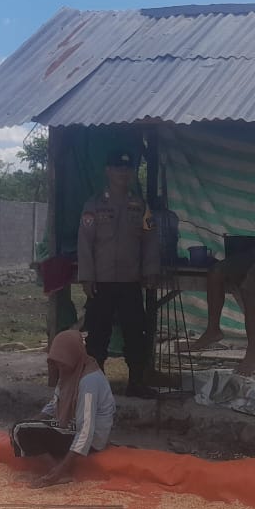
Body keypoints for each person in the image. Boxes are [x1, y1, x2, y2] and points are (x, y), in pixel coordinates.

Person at [185, 144, 255, 375]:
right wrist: (250, 246)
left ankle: (252, 353)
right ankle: (213, 329)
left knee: (248, 289)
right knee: (216, 272)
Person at [77, 150, 160, 398]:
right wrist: (87, 276)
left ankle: (136, 383)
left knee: (135, 333)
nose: (123, 172)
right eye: (117, 168)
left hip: (130, 281)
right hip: (101, 281)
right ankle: (95, 385)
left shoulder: (140, 206)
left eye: (127, 168)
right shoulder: (94, 205)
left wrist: (150, 271)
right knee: (97, 334)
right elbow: (85, 242)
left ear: (132, 172)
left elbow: (150, 239)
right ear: (108, 171)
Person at [11, 330, 115, 488]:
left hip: (92, 439)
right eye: (57, 363)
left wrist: (61, 469)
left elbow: (86, 429)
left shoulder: (89, 381)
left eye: (62, 363)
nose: (60, 367)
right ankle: (56, 468)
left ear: (73, 355)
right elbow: (54, 404)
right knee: (22, 428)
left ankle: (58, 473)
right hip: (71, 427)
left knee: (20, 430)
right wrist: (33, 422)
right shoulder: (71, 371)